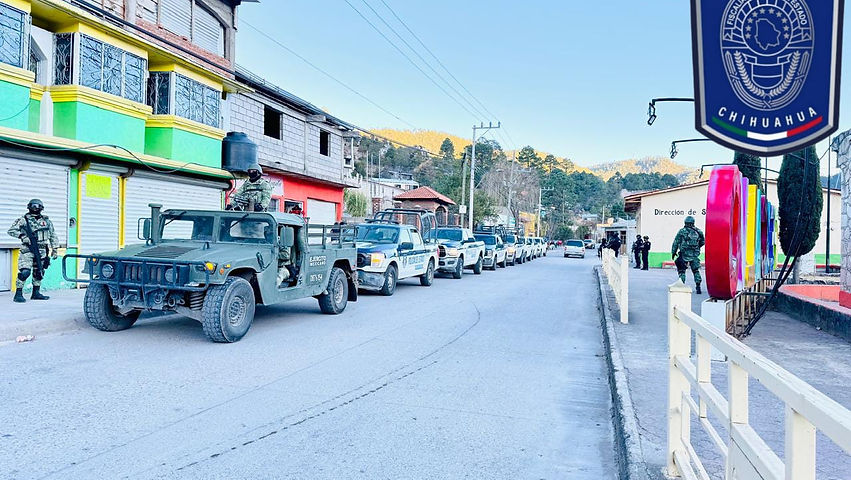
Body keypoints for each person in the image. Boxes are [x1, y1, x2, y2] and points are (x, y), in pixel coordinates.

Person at [7, 199, 59, 302]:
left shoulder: (46, 221)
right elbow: (11, 230)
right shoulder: (23, 220)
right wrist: (22, 236)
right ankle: (18, 294)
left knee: (39, 271)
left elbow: (53, 235)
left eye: (37, 206)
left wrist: (55, 249)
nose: (35, 208)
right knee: (25, 272)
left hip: (42, 250)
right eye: (33, 206)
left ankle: (36, 293)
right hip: (28, 250)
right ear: (29, 207)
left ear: (41, 208)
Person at [672, 216, 706, 294]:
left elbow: (676, 242)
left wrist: (673, 253)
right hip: (694, 255)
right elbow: (703, 242)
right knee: (696, 271)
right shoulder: (698, 231)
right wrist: (696, 248)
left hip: (684, 254)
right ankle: (698, 286)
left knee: (682, 271)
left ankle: (682, 285)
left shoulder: (682, 231)